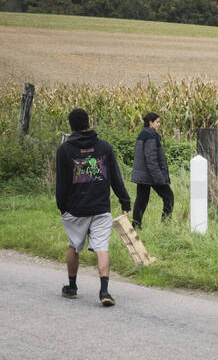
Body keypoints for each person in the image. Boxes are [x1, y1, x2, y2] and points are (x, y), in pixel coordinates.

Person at [55, 107, 132, 307]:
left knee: (74, 245)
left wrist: (62, 207)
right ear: (89, 124)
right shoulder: (104, 147)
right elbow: (115, 177)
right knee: (101, 248)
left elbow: (62, 183)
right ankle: (104, 290)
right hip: (100, 208)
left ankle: (72, 287)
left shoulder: (64, 150)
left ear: (71, 127)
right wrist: (125, 201)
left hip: (75, 209)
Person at [130, 111, 173, 229]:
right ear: (150, 123)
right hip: (151, 175)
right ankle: (166, 224)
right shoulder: (151, 135)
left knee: (141, 200)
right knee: (169, 197)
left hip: (143, 175)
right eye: (157, 122)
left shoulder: (142, 134)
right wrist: (159, 178)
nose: (159, 124)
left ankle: (136, 225)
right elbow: (151, 158)